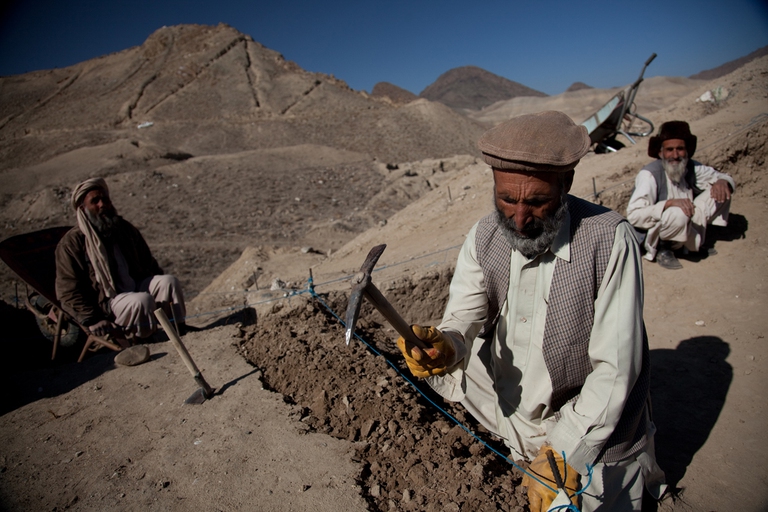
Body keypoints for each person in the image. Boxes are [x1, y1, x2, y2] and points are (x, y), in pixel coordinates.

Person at [396, 111, 666, 511]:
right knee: (459, 365)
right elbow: (464, 317)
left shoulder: (609, 240)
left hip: (577, 417)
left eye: (538, 202)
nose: (520, 220)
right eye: (506, 199)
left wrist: (562, 452)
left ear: (566, 184)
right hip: (508, 404)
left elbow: (615, 370)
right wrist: (449, 344)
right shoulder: (484, 234)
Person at [55, 178, 187, 345]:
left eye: (105, 199)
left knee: (169, 282)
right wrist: (92, 319)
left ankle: (179, 330)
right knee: (142, 301)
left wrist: (158, 284)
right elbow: (68, 290)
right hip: (107, 302)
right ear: (83, 208)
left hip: (135, 285)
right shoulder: (72, 243)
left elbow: (148, 262)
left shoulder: (123, 229)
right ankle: (144, 340)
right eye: (95, 201)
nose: (102, 204)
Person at [626, 120, 735, 269]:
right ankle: (665, 249)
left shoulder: (690, 166)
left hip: (686, 219)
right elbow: (633, 215)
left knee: (721, 190)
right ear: (660, 152)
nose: (675, 155)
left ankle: (690, 245)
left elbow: (720, 176)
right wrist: (668, 204)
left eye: (680, 149)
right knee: (678, 212)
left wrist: (723, 181)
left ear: (687, 150)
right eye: (669, 149)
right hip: (658, 229)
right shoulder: (649, 174)